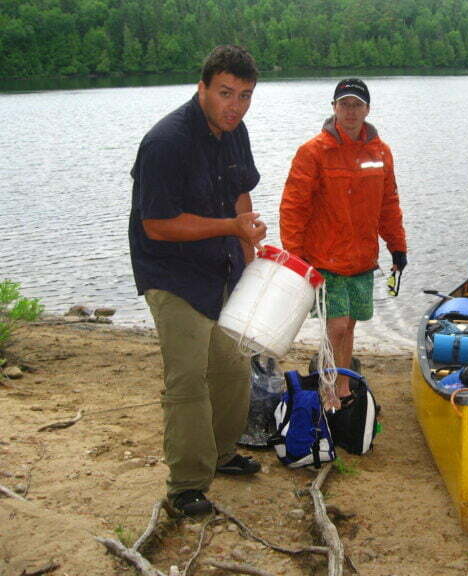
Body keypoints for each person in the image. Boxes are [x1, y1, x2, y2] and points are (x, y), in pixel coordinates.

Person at [128, 45, 266, 516]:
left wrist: (249, 257)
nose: (236, 105)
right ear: (202, 86)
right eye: (226, 93)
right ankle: (185, 485)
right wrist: (230, 228)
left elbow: (241, 194)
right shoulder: (166, 142)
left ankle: (222, 454)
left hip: (220, 266)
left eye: (245, 95)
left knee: (231, 369)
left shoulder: (235, 131)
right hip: (170, 275)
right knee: (187, 380)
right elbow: (157, 224)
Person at [280, 78, 407, 406]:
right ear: (334, 108)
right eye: (344, 104)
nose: (351, 111)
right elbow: (293, 207)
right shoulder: (313, 152)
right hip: (324, 258)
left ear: (367, 109)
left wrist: (398, 247)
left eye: (357, 104)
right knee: (335, 326)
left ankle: (342, 386)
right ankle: (329, 387)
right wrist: (294, 258)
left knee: (349, 325)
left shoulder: (381, 152)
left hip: (363, 259)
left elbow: (388, 204)